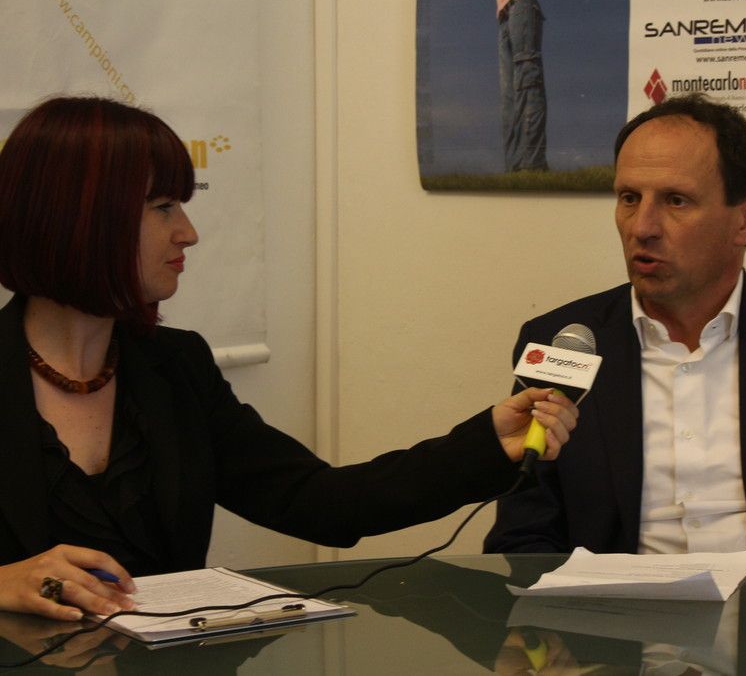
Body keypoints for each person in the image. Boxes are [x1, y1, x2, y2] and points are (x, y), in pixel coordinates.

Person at [0, 96, 578, 622]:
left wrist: (486, 445)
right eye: (163, 207)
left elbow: (320, 502)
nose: (188, 232)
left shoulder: (176, 367)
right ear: (81, 216)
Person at [484, 93, 746, 563]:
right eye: (629, 198)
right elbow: (522, 539)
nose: (642, 227)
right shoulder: (564, 342)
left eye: (676, 201)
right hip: (611, 606)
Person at [497, 0, 548, 172]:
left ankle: (533, 164)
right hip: (504, 14)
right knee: (509, 97)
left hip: (521, 4)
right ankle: (515, 168)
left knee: (528, 81)